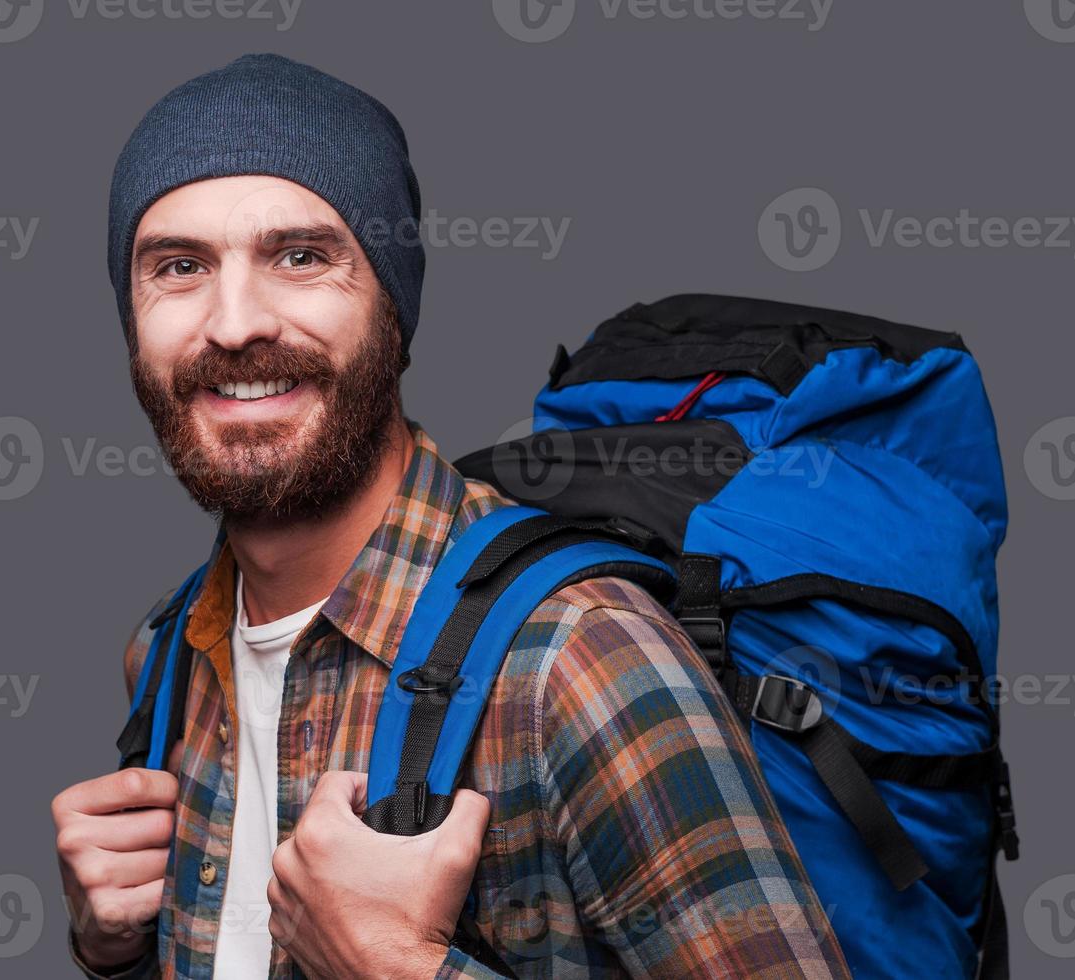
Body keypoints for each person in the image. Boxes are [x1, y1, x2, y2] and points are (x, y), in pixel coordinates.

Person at [51, 52, 850, 979]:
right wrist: (113, 949)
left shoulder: (579, 656)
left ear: (393, 303)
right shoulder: (168, 656)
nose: (234, 325)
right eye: (178, 267)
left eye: (301, 256)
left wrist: (397, 965)